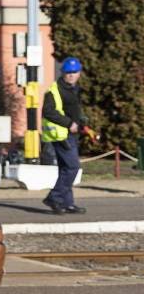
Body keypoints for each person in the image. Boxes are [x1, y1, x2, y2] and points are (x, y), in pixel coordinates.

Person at [42, 57, 89, 215]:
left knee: (65, 169)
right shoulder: (55, 90)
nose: (71, 75)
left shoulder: (74, 89)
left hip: (71, 134)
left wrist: (81, 122)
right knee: (73, 167)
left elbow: (73, 110)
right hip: (61, 135)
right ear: (63, 73)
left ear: (79, 73)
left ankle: (67, 203)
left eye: (74, 72)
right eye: (68, 72)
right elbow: (48, 112)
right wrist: (69, 123)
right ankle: (54, 197)